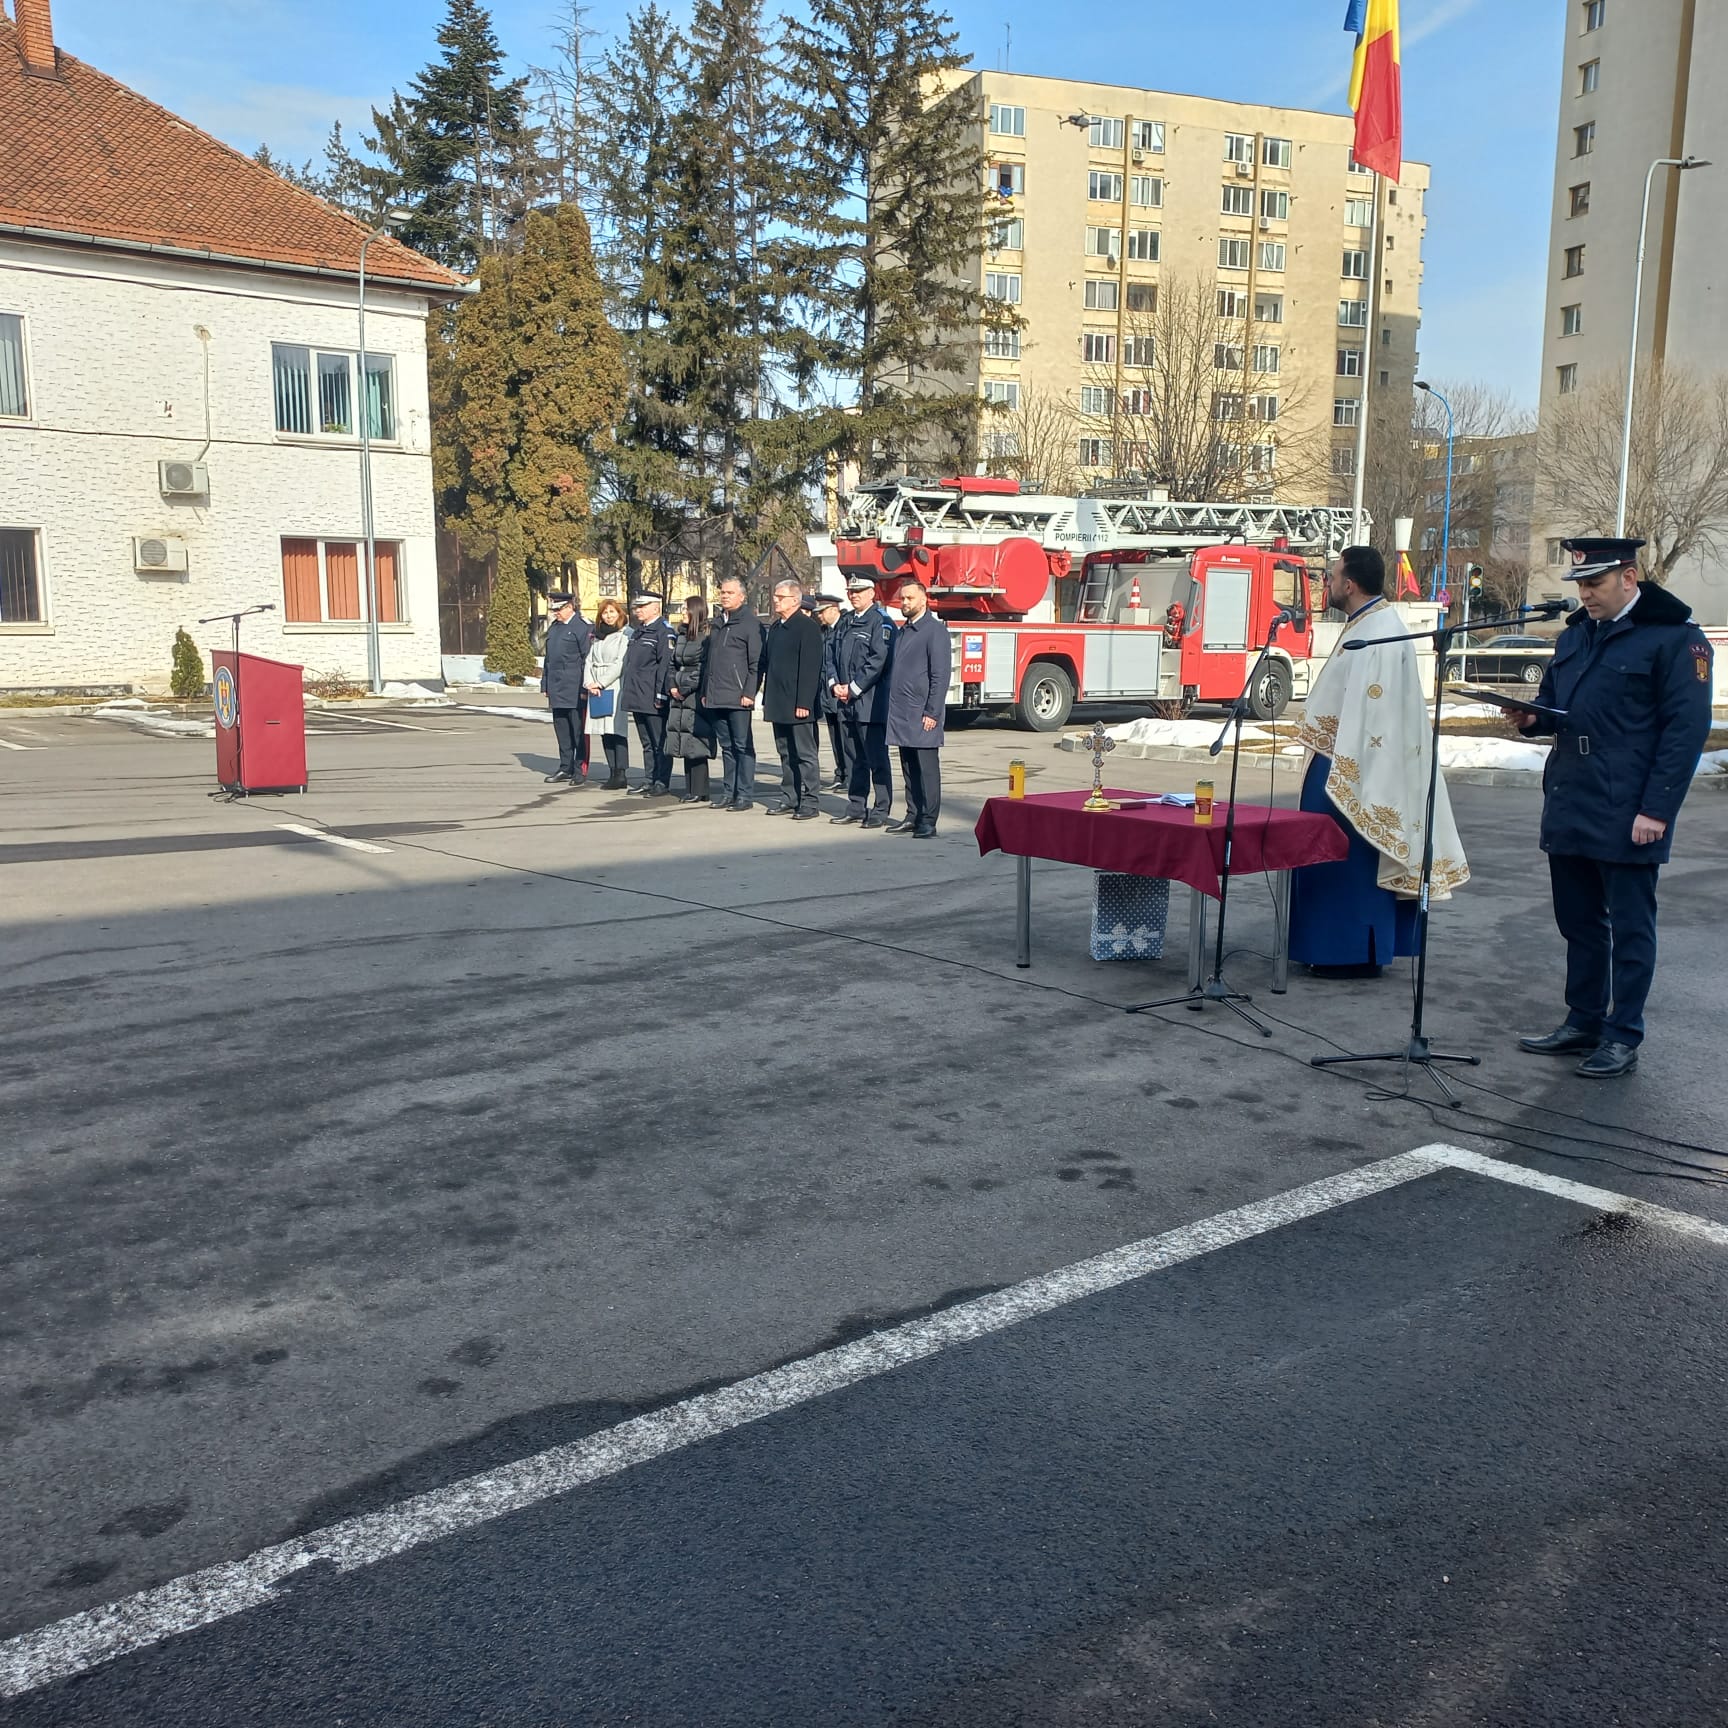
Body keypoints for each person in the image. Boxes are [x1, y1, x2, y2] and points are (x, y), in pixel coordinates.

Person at [1512, 536, 1713, 1077]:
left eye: (1594, 583)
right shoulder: (1578, 636)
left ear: (1629, 577)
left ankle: (1622, 1034)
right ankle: (1583, 1020)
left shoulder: (1674, 640)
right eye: (1579, 584)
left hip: (1629, 805)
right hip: (1573, 795)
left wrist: (1658, 810)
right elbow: (1558, 706)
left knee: (1629, 926)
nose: (1585, 594)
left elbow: (1685, 732)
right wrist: (1534, 719)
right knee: (1577, 921)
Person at [1288, 544, 1469, 976]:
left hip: (1359, 766)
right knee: (1331, 858)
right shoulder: (1366, 623)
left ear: (1349, 584)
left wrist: (1352, 771)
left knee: (1345, 860)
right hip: (1343, 757)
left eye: (1331, 577)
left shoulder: (1380, 631)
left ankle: (1348, 952)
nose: (1327, 584)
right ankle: (1336, 948)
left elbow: (1376, 716)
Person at [884, 577, 951, 839]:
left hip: (922, 713)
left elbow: (940, 675)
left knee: (926, 769)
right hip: (902, 713)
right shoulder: (904, 630)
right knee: (909, 767)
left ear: (923, 599)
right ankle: (912, 814)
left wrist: (932, 712)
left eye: (910, 598)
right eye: (903, 598)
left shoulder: (934, 630)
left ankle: (928, 819)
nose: (905, 602)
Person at [828, 573, 895, 828]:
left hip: (869, 703)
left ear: (872, 593)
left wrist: (853, 688)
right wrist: (835, 684)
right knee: (854, 758)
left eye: (859, 591)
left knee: (876, 759)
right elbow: (831, 654)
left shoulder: (881, 623)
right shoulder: (846, 622)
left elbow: (878, 661)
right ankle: (856, 806)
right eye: (851, 591)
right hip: (846, 702)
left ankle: (880, 808)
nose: (853, 595)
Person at [760, 578, 826, 819]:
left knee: (805, 754)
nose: (776, 600)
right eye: (776, 596)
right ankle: (790, 797)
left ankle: (810, 801)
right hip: (779, 701)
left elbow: (810, 669)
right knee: (785, 752)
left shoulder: (806, 627)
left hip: (799, 703)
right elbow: (769, 664)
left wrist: (804, 703)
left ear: (795, 600)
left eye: (781, 597)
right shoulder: (777, 627)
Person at [700, 574, 764, 811]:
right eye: (722, 592)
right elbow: (710, 661)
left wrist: (749, 692)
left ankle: (745, 795)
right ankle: (729, 791)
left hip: (738, 697)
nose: (724, 596)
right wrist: (706, 690)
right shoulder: (718, 623)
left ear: (741, 596)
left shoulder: (750, 624)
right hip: (717, 695)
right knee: (727, 747)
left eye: (729, 593)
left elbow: (756, 663)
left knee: (742, 746)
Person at [621, 592, 674, 797]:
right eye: (637, 607)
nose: (638, 610)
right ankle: (649, 778)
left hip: (653, 695)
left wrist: (661, 694)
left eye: (642, 606)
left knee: (659, 741)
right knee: (646, 742)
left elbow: (665, 666)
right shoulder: (639, 632)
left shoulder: (663, 632)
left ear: (656, 607)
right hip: (637, 694)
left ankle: (662, 780)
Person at [665, 594, 717, 804]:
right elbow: (672, 664)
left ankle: (700, 789)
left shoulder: (705, 636)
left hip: (695, 695)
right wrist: (672, 686)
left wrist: (685, 688)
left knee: (697, 740)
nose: (682, 613)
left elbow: (702, 668)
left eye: (686, 609)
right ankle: (691, 788)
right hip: (678, 693)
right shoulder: (681, 635)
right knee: (684, 740)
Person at [539, 590, 592, 786]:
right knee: (562, 730)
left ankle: (580, 769)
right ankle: (565, 767)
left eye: (559, 609)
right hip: (557, 687)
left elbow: (588, 660)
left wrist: (585, 687)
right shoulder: (554, 628)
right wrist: (545, 684)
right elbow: (549, 660)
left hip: (575, 687)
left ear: (570, 607)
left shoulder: (582, 628)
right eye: (553, 610)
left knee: (578, 731)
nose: (556, 613)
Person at [584, 597, 632, 791]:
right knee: (604, 731)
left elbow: (620, 663)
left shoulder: (625, 634)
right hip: (596, 688)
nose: (609, 616)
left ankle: (621, 772)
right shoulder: (598, 636)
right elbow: (589, 660)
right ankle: (611, 769)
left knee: (616, 730)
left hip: (614, 686)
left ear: (620, 614)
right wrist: (589, 683)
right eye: (605, 612)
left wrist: (601, 682)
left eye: (612, 612)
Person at [807, 592, 849, 789]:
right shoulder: (824, 631)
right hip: (828, 692)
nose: (819, 616)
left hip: (843, 693)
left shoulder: (845, 629)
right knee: (834, 735)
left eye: (822, 612)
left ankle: (849, 775)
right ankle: (841, 773)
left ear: (833, 610)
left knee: (845, 736)